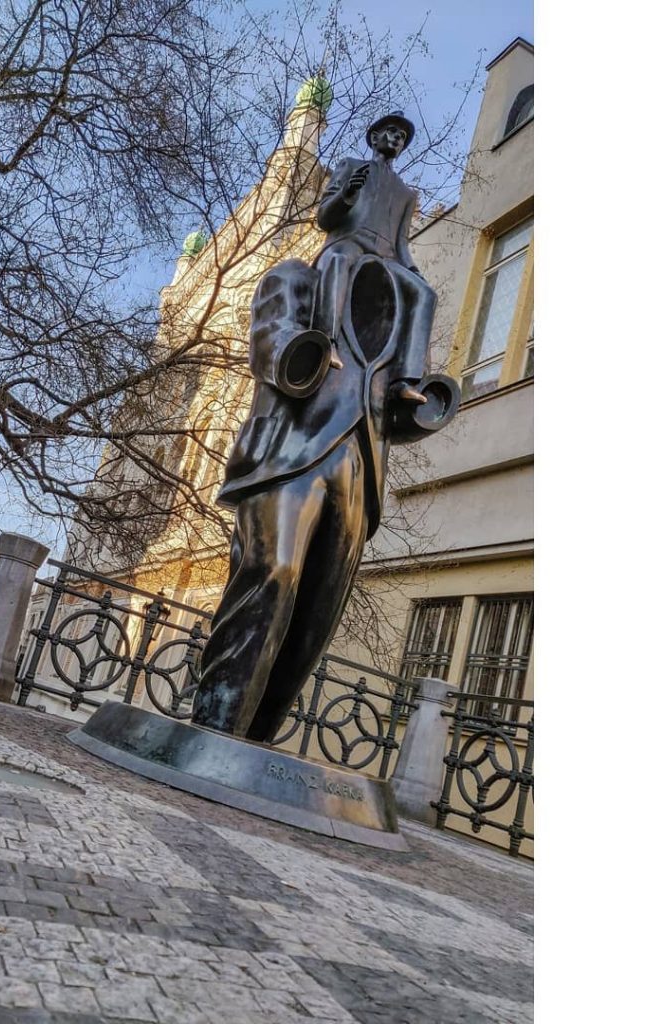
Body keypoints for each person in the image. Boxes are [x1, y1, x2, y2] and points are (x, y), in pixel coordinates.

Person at [190, 112, 438, 742]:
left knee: (317, 615)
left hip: (359, 468)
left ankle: (256, 743)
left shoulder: (399, 245)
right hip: (291, 456)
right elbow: (270, 345)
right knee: (271, 576)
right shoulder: (295, 273)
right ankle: (213, 729)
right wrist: (309, 348)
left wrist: (412, 398)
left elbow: (399, 414)